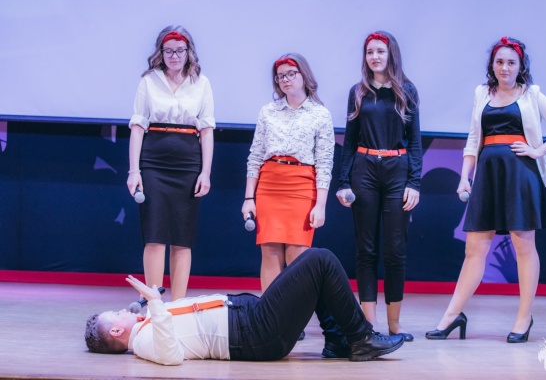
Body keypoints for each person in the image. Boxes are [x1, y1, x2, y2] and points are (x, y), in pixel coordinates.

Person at [426, 36, 546, 343]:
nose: (505, 67)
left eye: (511, 62)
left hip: (521, 174)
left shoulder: (531, 93)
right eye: (500, 61)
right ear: (492, 65)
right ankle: (451, 316)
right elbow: (473, 138)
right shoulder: (482, 92)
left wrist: (538, 151)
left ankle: (523, 318)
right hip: (488, 174)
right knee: (474, 248)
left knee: (523, 246)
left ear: (520, 66)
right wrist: (464, 177)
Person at [84, 249, 405, 364]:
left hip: (251, 320)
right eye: (118, 315)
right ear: (117, 331)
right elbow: (170, 356)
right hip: (255, 334)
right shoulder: (142, 342)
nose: (124, 311)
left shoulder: (146, 329)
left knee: (312, 268)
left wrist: (157, 307)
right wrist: (156, 304)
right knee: (320, 260)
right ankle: (361, 338)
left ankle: (337, 341)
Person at [336, 31, 422, 341]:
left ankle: (395, 326)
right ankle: (369, 327)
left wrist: (414, 182)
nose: (374, 56)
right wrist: (343, 181)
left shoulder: (407, 91)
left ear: (391, 55)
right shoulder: (358, 92)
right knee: (366, 249)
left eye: (380, 51)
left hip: (397, 170)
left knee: (395, 250)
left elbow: (415, 141)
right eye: (370, 51)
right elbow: (349, 141)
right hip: (365, 169)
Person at [127, 25, 215, 301]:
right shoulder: (148, 81)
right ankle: (154, 303)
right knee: (154, 234)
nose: (174, 56)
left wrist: (206, 172)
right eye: (168, 51)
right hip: (153, 161)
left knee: (182, 237)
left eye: (179, 51)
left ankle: (177, 307)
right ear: (160, 53)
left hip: (188, 163)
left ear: (189, 52)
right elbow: (138, 127)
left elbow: (207, 130)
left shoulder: (201, 83)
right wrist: (134, 171)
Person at [241, 53, 335, 292]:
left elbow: (325, 163)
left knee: (298, 257)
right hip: (269, 185)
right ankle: (270, 312)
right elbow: (255, 156)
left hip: (302, 187)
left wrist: (321, 205)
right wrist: (249, 198)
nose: (285, 79)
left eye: (290, 74)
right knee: (270, 253)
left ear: (304, 75)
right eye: (280, 76)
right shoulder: (268, 111)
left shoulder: (320, 114)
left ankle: (295, 312)